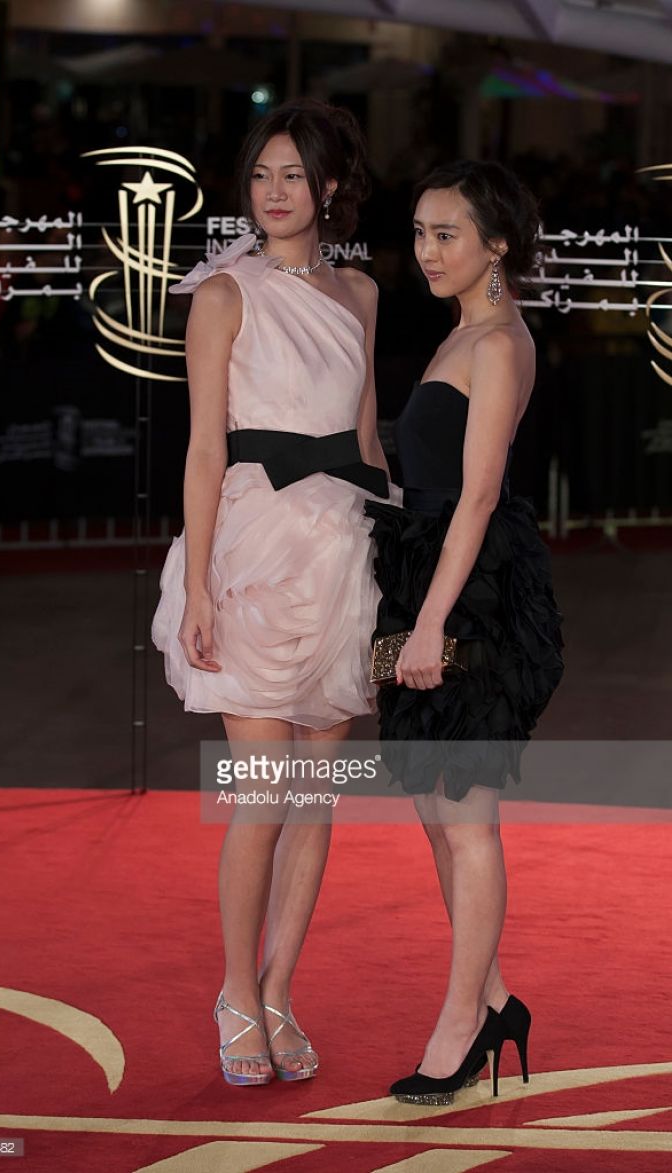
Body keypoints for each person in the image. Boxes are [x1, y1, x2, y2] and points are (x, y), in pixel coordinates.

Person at [152, 98, 390, 1086]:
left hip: (341, 548)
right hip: (251, 548)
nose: (275, 192)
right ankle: (235, 993)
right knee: (263, 792)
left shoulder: (361, 293)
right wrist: (200, 585)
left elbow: (367, 439)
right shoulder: (222, 294)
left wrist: (395, 569)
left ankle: (281, 989)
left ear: (331, 185)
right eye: (261, 175)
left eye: (294, 174)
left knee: (315, 796)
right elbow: (204, 448)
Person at [365, 160, 564, 1104]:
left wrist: (433, 622)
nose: (427, 250)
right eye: (419, 232)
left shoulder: (500, 342)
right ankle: (493, 1000)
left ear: (497, 242)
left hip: (469, 595)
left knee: (467, 820)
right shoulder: (461, 332)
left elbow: (479, 495)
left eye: (447, 234)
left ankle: (460, 1028)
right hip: (427, 576)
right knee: (438, 816)